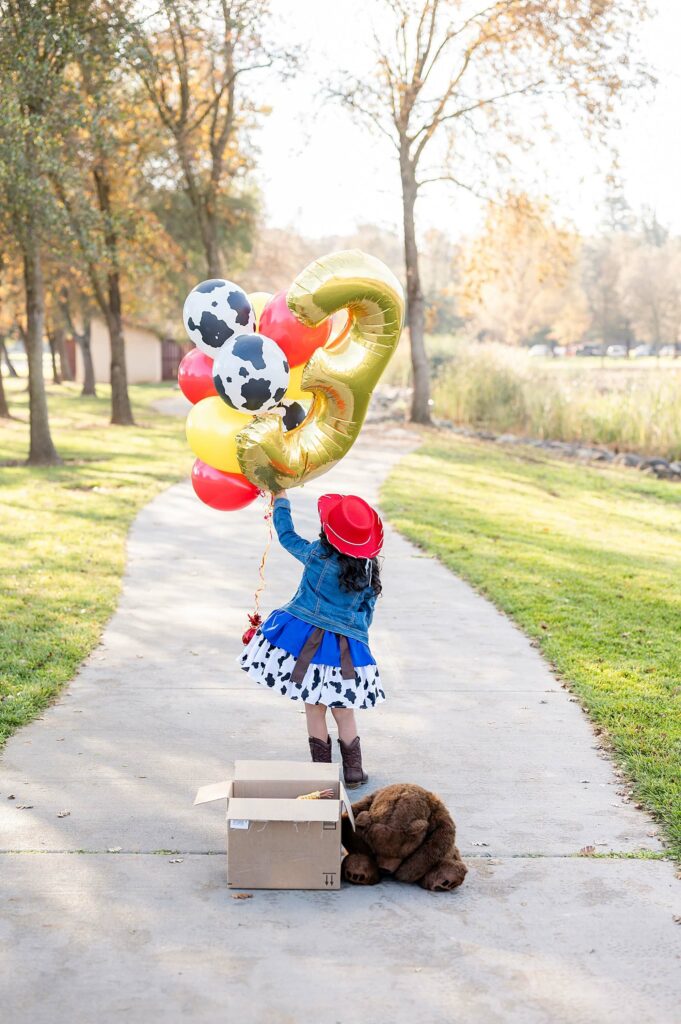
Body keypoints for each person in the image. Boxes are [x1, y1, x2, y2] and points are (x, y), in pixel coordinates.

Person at [239, 491, 385, 788]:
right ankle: (354, 772)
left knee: (313, 706)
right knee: (344, 710)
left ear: (327, 531)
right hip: (346, 649)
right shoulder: (368, 571)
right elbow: (366, 613)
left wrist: (281, 500)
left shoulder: (317, 553)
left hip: (306, 641)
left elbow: (287, 535)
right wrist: (355, 636)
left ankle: (322, 773)